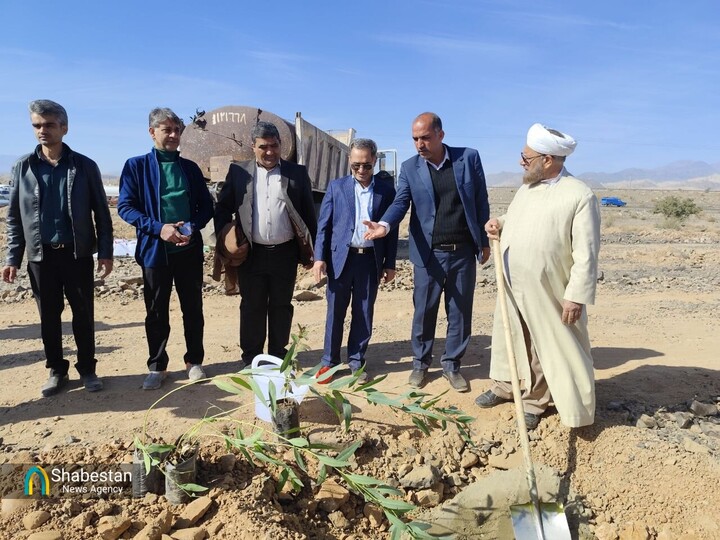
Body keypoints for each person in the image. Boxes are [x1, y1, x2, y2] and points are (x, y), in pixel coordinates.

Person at [474, 123, 601, 429]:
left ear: (547, 160)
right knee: (510, 335)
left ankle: (535, 400)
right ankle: (506, 385)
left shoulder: (579, 195)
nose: (521, 162)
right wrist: (498, 223)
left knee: (542, 343)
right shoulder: (527, 189)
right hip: (513, 284)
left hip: (549, 289)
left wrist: (576, 296)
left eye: (525, 157)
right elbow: (518, 219)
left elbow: (587, 252)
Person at [364, 112, 490, 392]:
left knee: (459, 312)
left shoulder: (468, 158)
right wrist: (384, 225)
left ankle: (452, 365)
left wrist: (483, 241)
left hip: (462, 253)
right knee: (424, 311)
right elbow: (400, 203)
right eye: (415, 139)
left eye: (425, 138)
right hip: (427, 255)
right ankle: (420, 365)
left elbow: (481, 200)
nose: (419, 144)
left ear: (441, 135)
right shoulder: (410, 168)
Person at [2, 99, 113, 397]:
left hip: (76, 254)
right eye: (37, 125)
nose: (42, 131)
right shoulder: (23, 167)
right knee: (48, 317)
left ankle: (88, 368)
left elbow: (101, 213)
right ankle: (56, 369)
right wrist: (12, 256)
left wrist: (105, 251)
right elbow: (14, 217)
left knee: (83, 313)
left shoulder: (84, 166)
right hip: (41, 256)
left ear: (64, 127)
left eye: (49, 125)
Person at [118, 107, 214, 390]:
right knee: (157, 311)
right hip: (155, 253)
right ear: (152, 132)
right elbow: (125, 207)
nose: (173, 135)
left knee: (193, 308)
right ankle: (157, 366)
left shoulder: (190, 169)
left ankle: (194, 361)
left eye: (177, 130)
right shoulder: (136, 167)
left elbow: (205, 207)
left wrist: (191, 227)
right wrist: (160, 228)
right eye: (166, 130)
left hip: (188, 251)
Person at [214, 121, 316, 366]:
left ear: (281, 146)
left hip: (285, 253)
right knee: (252, 306)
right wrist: (226, 237)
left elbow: (309, 214)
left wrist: (315, 252)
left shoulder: (297, 174)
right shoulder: (239, 173)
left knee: (281, 305)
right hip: (252, 254)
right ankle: (252, 357)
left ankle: (278, 355)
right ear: (253, 147)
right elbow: (223, 207)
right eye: (263, 147)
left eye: (274, 146)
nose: (269, 152)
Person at [312, 138, 399, 383]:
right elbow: (324, 226)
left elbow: (391, 231)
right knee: (335, 312)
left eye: (366, 165)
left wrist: (389, 263)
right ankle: (329, 362)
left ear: (374, 161)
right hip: (341, 260)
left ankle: (356, 361)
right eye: (356, 166)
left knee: (363, 312)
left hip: (369, 261)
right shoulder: (336, 187)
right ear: (350, 163)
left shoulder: (386, 191)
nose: (361, 170)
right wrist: (320, 258)